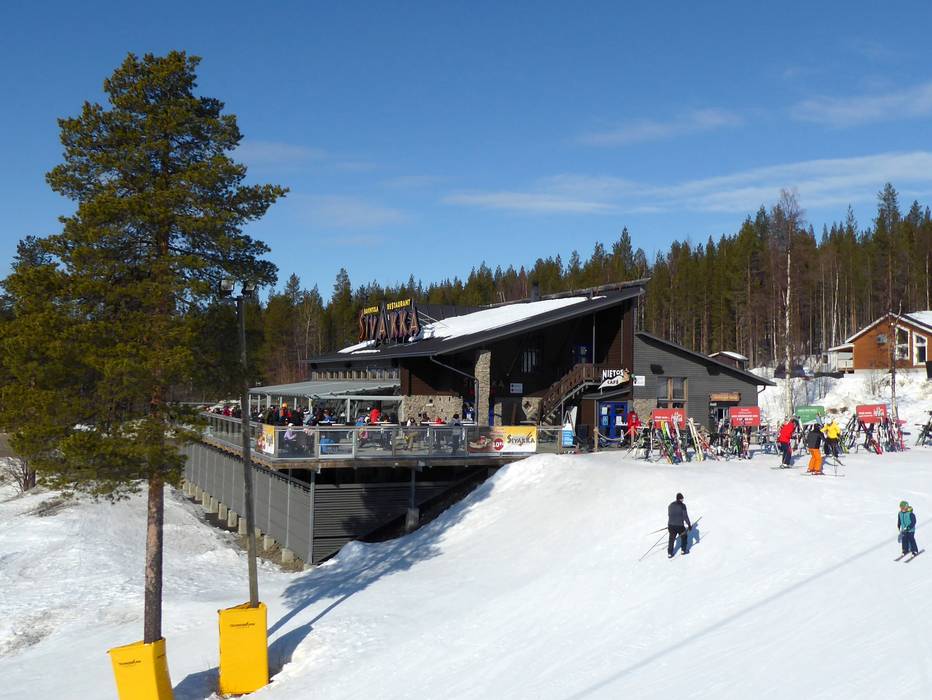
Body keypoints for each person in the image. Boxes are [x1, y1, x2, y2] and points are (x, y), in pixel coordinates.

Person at [667, 493, 692, 558]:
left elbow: (669, 514)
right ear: (680, 499)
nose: (683, 500)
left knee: (671, 539)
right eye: (682, 499)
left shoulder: (670, 505)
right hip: (679, 526)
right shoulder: (682, 506)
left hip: (670, 525)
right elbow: (685, 516)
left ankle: (669, 553)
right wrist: (689, 524)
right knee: (684, 536)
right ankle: (683, 550)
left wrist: (671, 523)